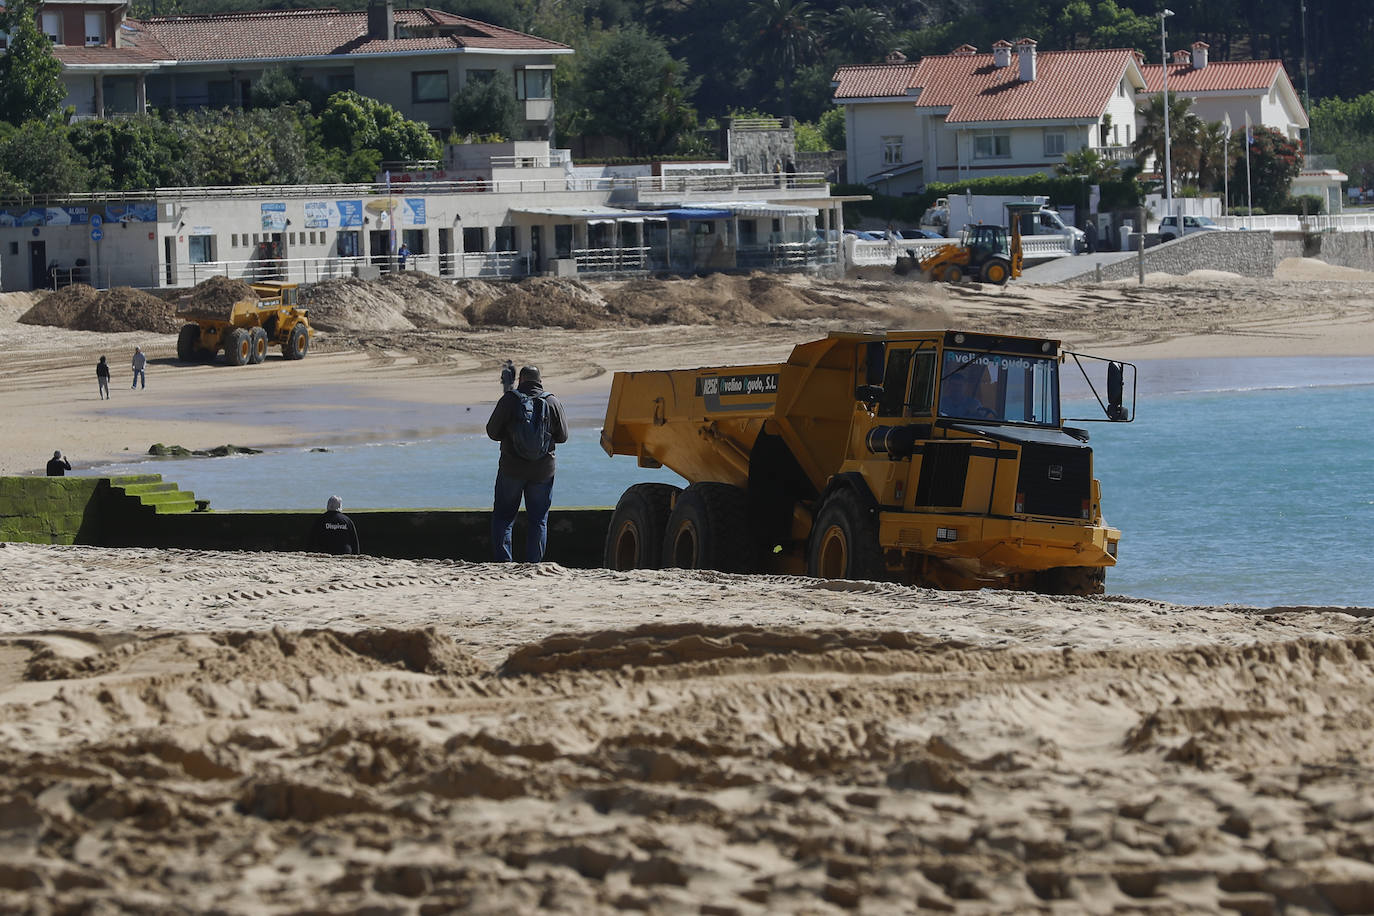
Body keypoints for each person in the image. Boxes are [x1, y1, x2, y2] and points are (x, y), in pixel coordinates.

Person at [486, 365, 569, 563]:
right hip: (543, 471)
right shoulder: (552, 401)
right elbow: (563, 436)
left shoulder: (509, 400)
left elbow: (492, 432)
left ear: (520, 380)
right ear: (540, 381)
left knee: (504, 517)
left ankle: (504, 563)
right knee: (538, 519)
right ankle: (534, 563)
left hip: (512, 468)